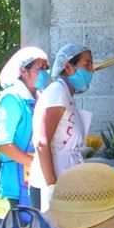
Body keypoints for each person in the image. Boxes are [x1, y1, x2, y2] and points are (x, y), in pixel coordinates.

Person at [28, 42, 94, 210]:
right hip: (50, 184)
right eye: (87, 64)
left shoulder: (65, 94)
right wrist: (52, 186)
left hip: (65, 179)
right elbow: (41, 142)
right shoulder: (57, 92)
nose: (92, 70)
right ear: (68, 67)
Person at [0, 46, 49, 209]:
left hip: (36, 175)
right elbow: (4, 145)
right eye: (40, 68)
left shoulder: (37, 98)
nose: (45, 73)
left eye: (47, 68)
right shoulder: (12, 98)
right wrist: (36, 165)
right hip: (19, 179)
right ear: (23, 71)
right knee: (25, 222)